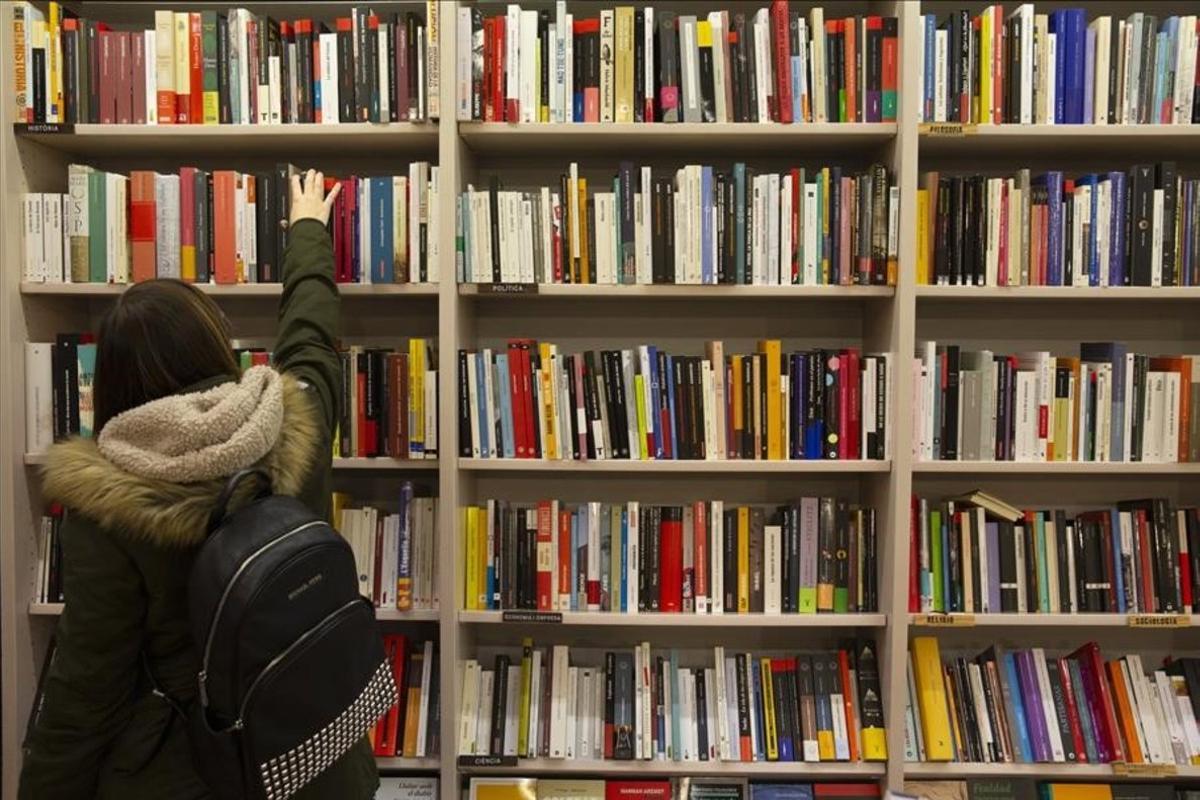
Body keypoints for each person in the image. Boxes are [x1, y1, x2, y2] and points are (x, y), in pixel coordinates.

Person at [19, 171, 379, 799]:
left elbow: (86, 689)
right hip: (312, 758)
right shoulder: (289, 423)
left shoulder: (108, 502)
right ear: (216, 344)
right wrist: (309, 234)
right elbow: (311, 340)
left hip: (193, 773)